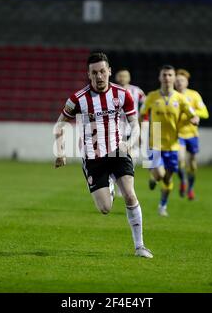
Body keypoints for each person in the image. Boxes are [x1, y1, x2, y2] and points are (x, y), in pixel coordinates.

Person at [54, 52, 153, 258]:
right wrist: (61, 151)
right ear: (88, 75)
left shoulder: (122, 95)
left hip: (118, 152)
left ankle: (140, 246)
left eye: (102, 71)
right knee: (105, 208)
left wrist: (130, 142)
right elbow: (60, 123)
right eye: (94, 73)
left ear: (109, 71)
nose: (99, 76)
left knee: (129, 194)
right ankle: (108, 184)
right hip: (93, 159)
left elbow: (135, 124)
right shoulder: (77, 99)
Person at [140, 65, 199, 217]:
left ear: (174, 77)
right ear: (160, 78)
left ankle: (162, 206)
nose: (167, 78)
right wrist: (142, 127)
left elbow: (192, 113)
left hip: (173, 144)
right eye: (164, 75)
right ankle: (153, 177)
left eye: (170, 75)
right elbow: (142, 114)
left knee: (168, 179)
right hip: (155, 142)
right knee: (160, 174)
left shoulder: (180, 99)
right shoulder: (152, 96)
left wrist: (195, 118)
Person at [175, 69, 209, 200]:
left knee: (193, 165)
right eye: (177, 80)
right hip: (178, 135)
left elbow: (205, 113)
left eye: (182, 80)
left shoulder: (194, 95)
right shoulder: (172, 96)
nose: (179, 83)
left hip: (192, 135)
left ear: (187, 82)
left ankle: (190, 188)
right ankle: (183, 181)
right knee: (180, 160)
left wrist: (194, 115)